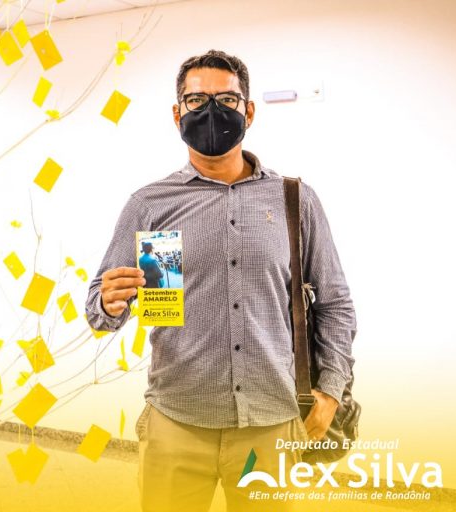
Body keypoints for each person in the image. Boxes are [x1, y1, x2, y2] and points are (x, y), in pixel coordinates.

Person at [84, 50, 357, 512]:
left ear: (248, 111)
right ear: (178, 114)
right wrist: (109, 303)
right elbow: (101, 308)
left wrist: (331, 388)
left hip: (270, 424)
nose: (211, 110)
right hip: (177, 420)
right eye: (196, 100)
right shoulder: (152, 204)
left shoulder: (294, 199)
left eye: (227, 99)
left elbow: (334, 303)